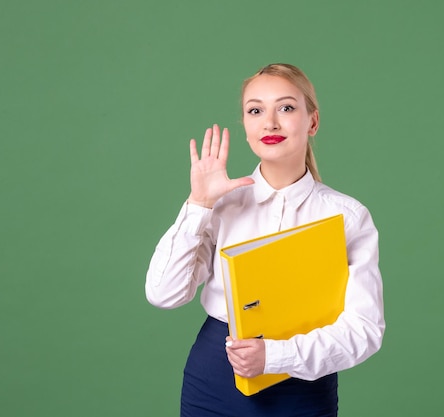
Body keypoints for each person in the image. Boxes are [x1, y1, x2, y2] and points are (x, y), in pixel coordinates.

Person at [145, 63, 385, 417]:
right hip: (213, 378)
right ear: (244, 125)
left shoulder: (346, 217)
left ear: (312, 121)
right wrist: (198, 204)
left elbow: (365, 331)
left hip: (302, 386)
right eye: (255, 110)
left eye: (286, 108)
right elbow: (164, 294)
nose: (270, 122)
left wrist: (274, 357)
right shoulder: (221, 205)